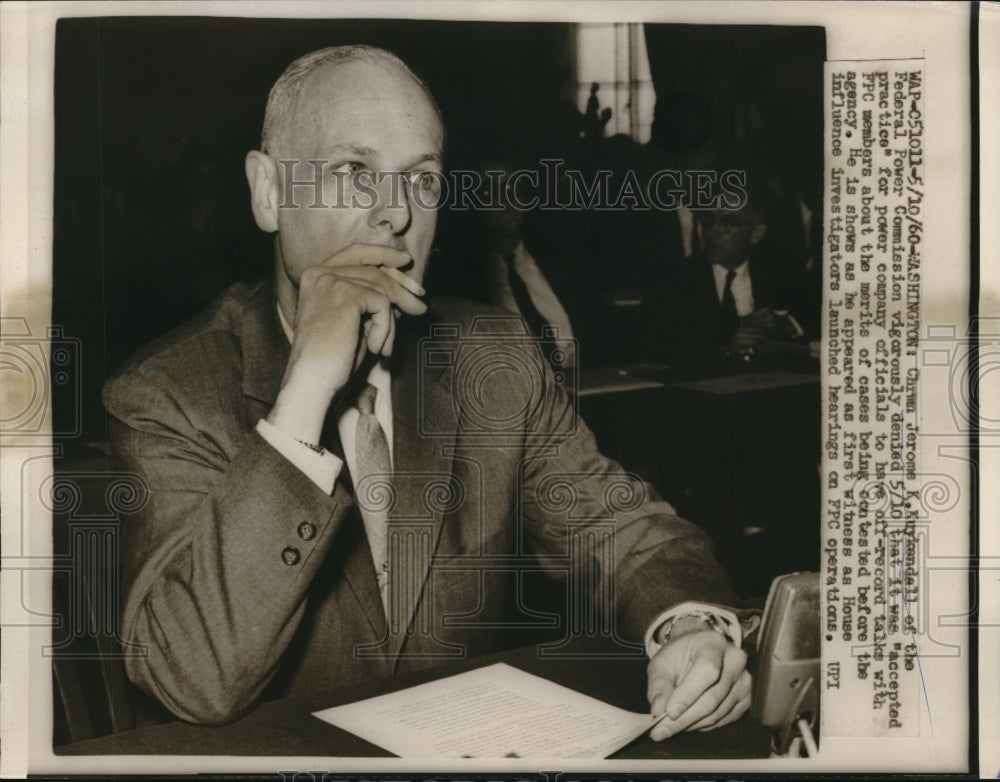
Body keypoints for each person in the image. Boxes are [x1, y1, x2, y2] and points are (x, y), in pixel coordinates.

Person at [103, 45, 753, 741]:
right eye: (353, 171)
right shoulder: (166, 393)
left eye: (420, 179)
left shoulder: (490, 357)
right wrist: (303, 404)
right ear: (269, 191)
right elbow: (195, 678)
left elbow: (622, 529)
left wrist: (690, 625)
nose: (394, 214)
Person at [642, 181, 816, 369]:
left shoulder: (783, 272)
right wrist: (724, 350)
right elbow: (653, 347)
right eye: (708, 219)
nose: (712, 231)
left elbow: (826, 320)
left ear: (756, 233)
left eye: (728, 222)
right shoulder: (673, 279)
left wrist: (787, 325)